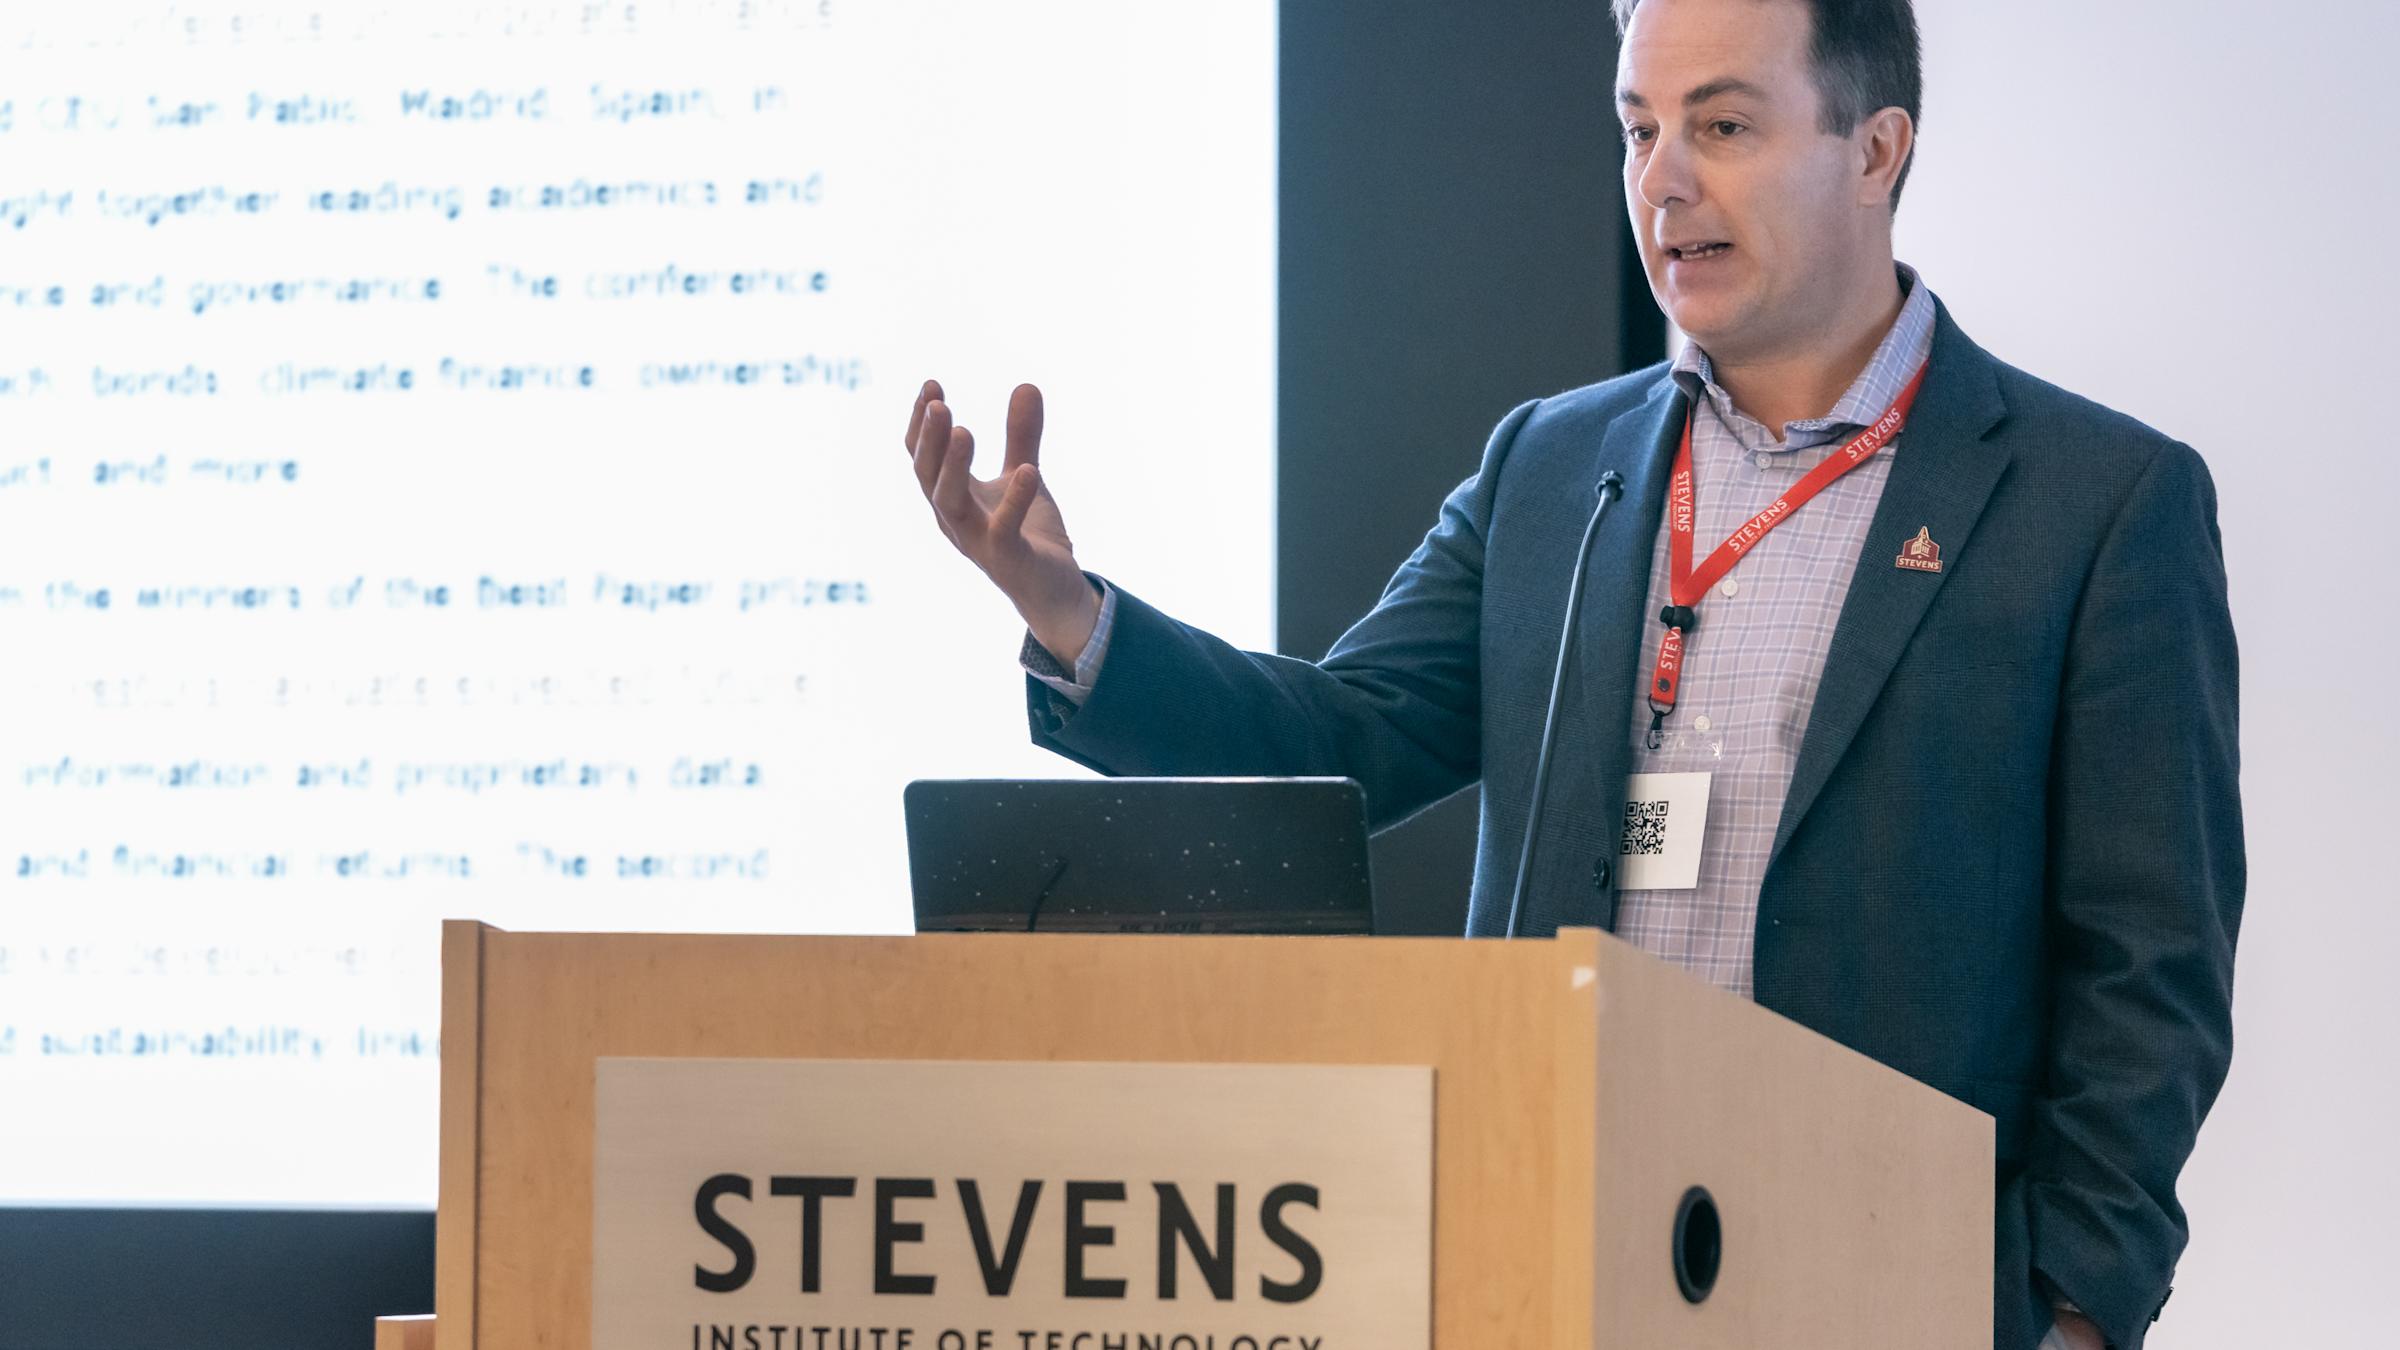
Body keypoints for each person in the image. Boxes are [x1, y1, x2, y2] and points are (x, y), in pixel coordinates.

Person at [898, 1, 2242, 1346]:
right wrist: (1074, 618)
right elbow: (1342, 739)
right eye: (1638, 128)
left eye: (1720, 125)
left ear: (1876, 147)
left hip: (1883, 1284)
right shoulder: (1550, 468)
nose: (1663, 180)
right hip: (1541, 1262)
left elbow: (2151, 977)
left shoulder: (2098, 505)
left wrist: (2069, 1314)